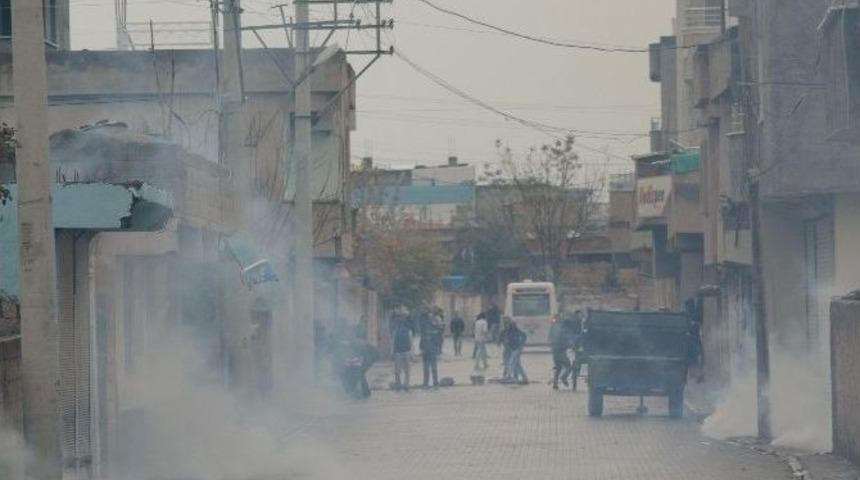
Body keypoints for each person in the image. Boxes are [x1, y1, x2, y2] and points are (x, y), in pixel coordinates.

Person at [549, 316, 572, 390]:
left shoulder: (554, 328)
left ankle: (555, 384)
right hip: (561, 351)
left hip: (554, 351)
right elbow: (565, 341)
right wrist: (570, 345)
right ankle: (563, 377)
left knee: (558, 368)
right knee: (569, 366)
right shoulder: (564, 330)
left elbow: (550, 338)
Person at [391, 313, 413, 391]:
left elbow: (393, 343)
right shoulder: (408, 331)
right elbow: (411, 343)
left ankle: (400, 384)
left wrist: (392, 353)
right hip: (405, 351)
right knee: (405, 370)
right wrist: (411, 353)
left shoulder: (396, 331)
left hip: (400, 352)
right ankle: (405, 384)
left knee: (398, 370)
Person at [420, 321, 443, 388]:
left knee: (434, 370)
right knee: (426, 371)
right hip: (426, 356)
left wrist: (437, 351)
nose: (428, 330)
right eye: (427, 329)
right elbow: (421, 347)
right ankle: (426, 383)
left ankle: (435, 383)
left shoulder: (434, 337)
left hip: (432, 356)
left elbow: (438, 344)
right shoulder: (423, 338)